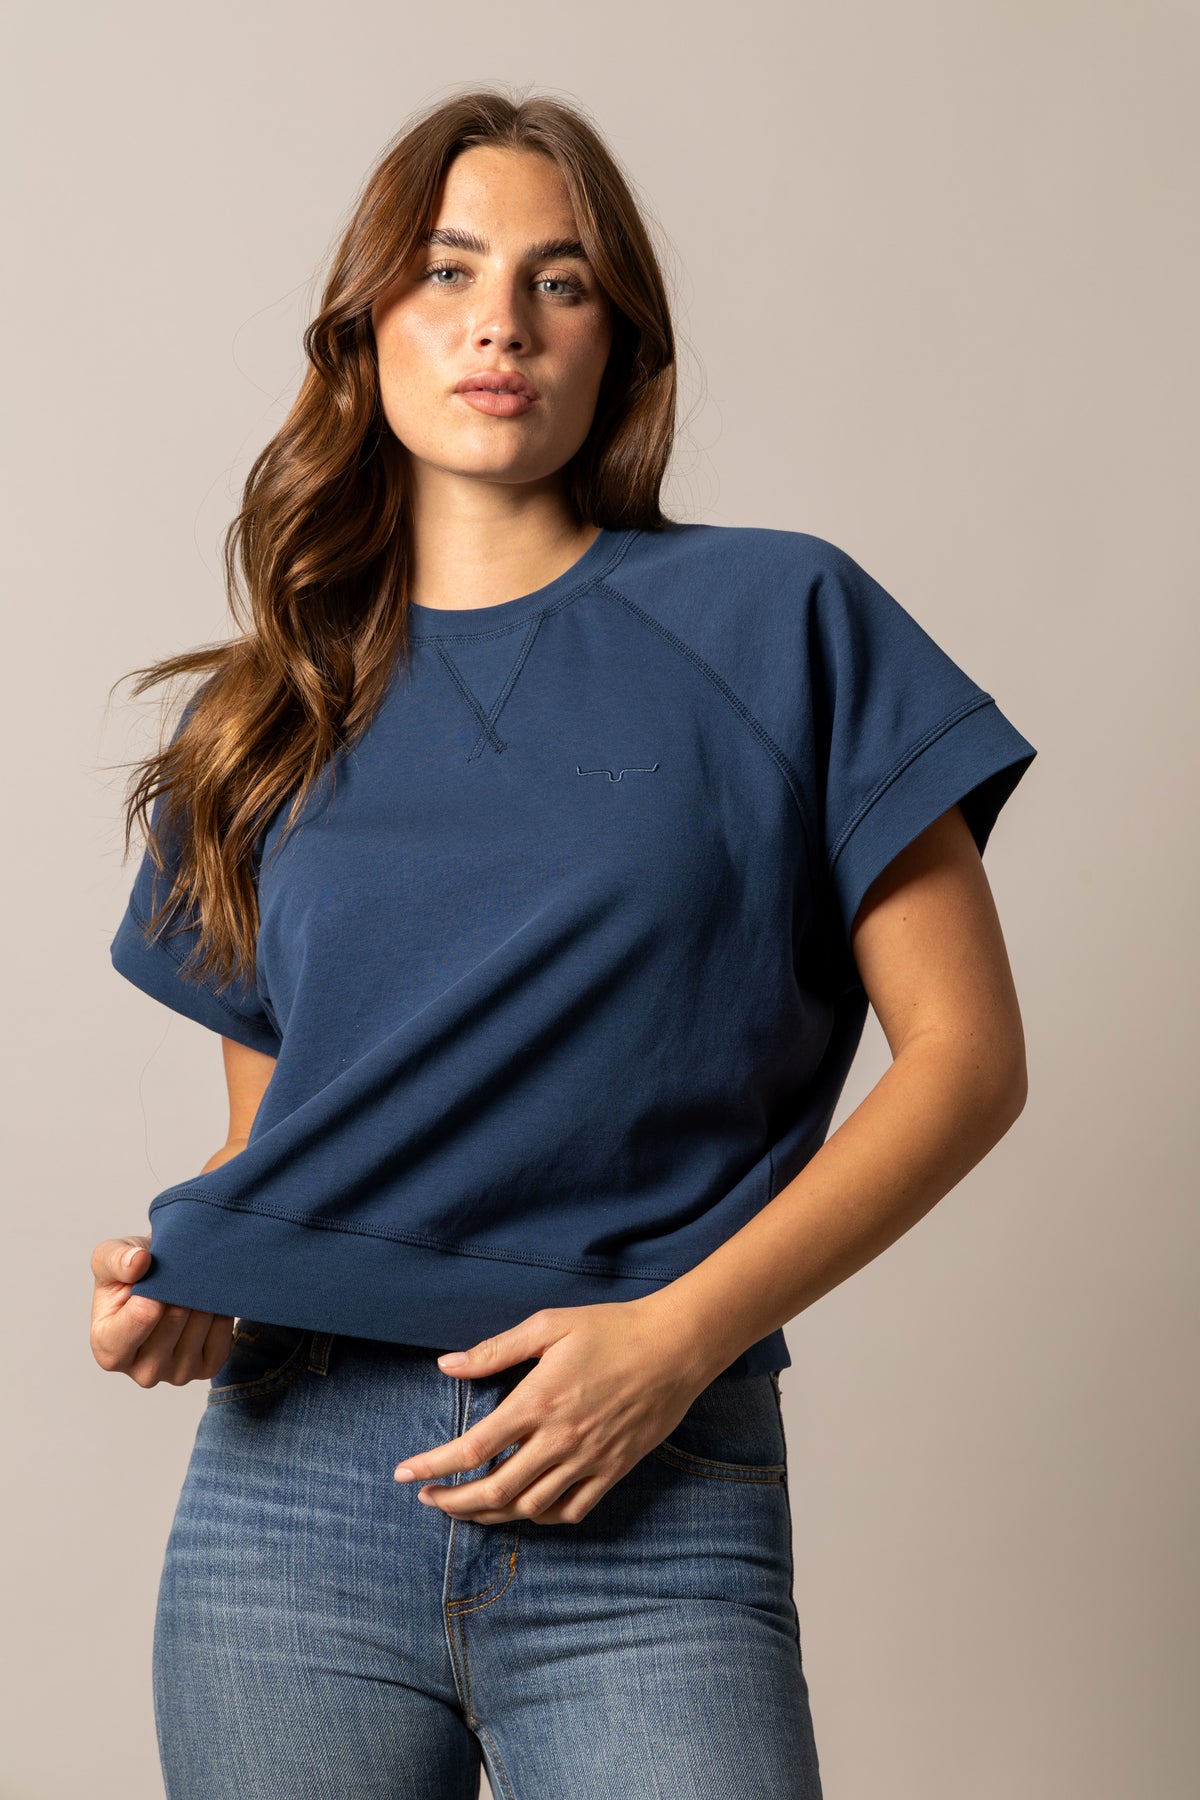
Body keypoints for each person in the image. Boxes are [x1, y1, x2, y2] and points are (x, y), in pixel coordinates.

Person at [91, 85, 1036, 1799]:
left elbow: (969, 1062)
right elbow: (281, 1136)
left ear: (619, 340)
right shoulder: (262, 719)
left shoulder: (784, 619)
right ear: (366, 324)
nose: (501, 324)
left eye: (561, 281)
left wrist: (679, 1338)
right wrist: (189, 1283)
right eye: (447, 272)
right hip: (289, 1497)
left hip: (650, 1486)